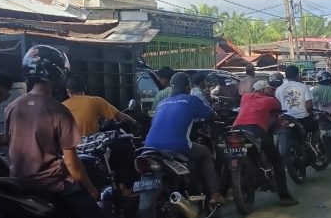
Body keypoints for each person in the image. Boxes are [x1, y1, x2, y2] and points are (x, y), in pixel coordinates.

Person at [5, 45, 107, 218]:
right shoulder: (58, 110)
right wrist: (90, 188)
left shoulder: (12, 107)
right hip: (52, 184)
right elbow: (71, 162)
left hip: (19, 183)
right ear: (58, 73)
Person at [144, 73, 224, 204]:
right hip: (177, 146)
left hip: (150, 147)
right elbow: (212, 115)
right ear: (188, 87)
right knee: (205, 153)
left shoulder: (161, 103)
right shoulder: (191, 100)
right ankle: (215, 193)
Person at [232, 80, 298, 207]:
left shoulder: (245, 97)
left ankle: (220, 195)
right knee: (277, 161)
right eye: (269, 89)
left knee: (230, 159)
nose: (271, 91)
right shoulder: (269, 100)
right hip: (255, 129)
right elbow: (279, 107)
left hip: (236, 129)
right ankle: (284, 197)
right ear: (264, 90)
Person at [63, 74, 137, 137]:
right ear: (85, 87)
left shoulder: (61, 106)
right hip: (89, 148)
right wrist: (135, 122)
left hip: (67, 151)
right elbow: (121, 117)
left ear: (67, 90)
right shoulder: (95, 101)